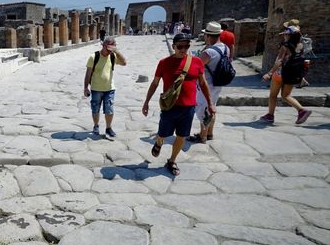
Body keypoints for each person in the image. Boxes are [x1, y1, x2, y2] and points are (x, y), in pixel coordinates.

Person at [142, 33, 216, 176]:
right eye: (180, 47)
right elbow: (155, 83)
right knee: (163, 133)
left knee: (182, 136)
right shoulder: (164, 63)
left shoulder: (196, 62)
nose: (183, 49)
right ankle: (159, 142)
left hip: (188, 108)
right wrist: (146, 102)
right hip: (169, 106)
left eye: (186, 46)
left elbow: (203, 83)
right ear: (174, 46)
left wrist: (210, 103)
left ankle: (172, 160)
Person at [261, 26, 312, 124]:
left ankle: (270, 115)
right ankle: (301, 111)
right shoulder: (300, 45)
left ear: (289, 35)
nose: (284, 36)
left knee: (273, 95)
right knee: (286, 95)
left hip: (281, 72)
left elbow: (279, 60)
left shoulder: (285, 45)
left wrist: (269, 73)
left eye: (285, 34)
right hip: (292, 74)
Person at [188, 22, 229, 144]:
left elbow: (196, 67)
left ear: (208, 36)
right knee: (212, 106)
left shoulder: (208, 52)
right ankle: (210, 132)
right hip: (218, 82)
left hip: (206, 84)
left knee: (203, 109)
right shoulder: (225, 48)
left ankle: (203, 136)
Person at [83, 36, 127, 137]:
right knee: (95, 109)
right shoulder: (93, 57)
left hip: (109, 89)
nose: (109, 51)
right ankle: (96, 126)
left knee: (109, 109)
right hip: (96, 89)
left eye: (112, 49)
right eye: (108, 49)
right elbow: (88, 74)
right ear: (103, 46)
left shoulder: (113, 56)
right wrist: (85, 88)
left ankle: (108, 128)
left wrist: (117, 51)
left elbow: (124, 63)